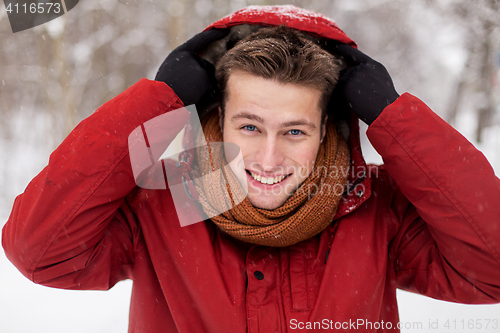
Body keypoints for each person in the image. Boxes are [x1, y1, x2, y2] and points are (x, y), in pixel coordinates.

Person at [3, 5, 500, 333]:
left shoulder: (374, 208)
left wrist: (392, 115)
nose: (267, 160)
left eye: (294, 132)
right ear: (217, 120)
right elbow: (39, 251)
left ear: (327, 130)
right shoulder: (164, 203)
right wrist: (160, 101)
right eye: (249, 127)